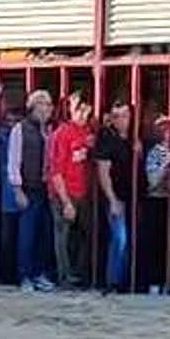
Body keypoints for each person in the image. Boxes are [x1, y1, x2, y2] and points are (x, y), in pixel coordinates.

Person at [8, 89, 56, 292]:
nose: (46, 109)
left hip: (47, 188)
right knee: (26, 234)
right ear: (32, 107)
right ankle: (24, 275)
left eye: (48, 104)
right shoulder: (20, 129)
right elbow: (13, 161)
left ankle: (40, 274)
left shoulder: (50, 130)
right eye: (42, 104)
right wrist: (17, 189)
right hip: (29, 188)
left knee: (44, 234)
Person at [49, 94, 95, 289]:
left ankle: (79, 275)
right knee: (63, 236)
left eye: (87, 109)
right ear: (70, 110)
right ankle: (64, 278)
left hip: (82, 193)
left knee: (84, 234)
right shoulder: (62, 133)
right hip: (64, 193)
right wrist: (66, 201)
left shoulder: (86, 131)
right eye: (79, 109)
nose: (84, 113)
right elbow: (56, 171)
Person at [95, 102, 135, 294]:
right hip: (116, 197)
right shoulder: (107, 138)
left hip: (133, 197)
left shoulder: (132, 138)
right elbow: (103, 172)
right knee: (120, 239)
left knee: (127, 240)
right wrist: (112, 199)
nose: (121, 120)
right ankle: (113, 282)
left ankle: (125, 282)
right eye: (117, 116)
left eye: (125, 115)